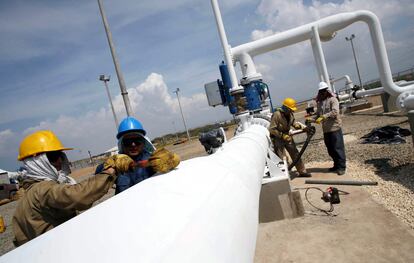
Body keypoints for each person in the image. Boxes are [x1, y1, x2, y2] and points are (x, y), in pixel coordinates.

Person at [12, 130, 135, 246]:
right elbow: (78, 196)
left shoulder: (29, 194)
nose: (60, 160)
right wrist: (111, 170)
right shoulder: (42, 189)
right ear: (37, 161)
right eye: (53, 156)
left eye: (61, 155)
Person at [96, 116, 180, 194]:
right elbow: (97, 175)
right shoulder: (117, 163)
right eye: (128, 142)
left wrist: (172, 159)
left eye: (137, 140)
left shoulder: (152, 159)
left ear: (143, 142)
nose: (133, 145)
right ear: (121, 144)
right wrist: (109, 165)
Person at [269, 97, 311, 177]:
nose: (292, 111)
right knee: (281, 157)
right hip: (278, 138)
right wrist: (282, 136)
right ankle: (284, 175)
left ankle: (302, 171)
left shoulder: (290, 114)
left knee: (295, 153)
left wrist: (300, 127)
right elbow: (271, 129)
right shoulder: (277, 115)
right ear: (286, 107)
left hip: (287, 135)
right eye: (290, 109)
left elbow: (293, 122)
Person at [311, 81, 346, 175]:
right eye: (321, 91)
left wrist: (324, 117)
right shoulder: (320, 103)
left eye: (324, 90)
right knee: (330, 149)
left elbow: (335, 112)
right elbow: (318, 114)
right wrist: (310, 119)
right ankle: (336, 165)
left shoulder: (333, 100)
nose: (322, 92)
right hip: (326, 129)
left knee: (338, 148)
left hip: (334, 128)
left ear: (327, 90)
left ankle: (342, 167)